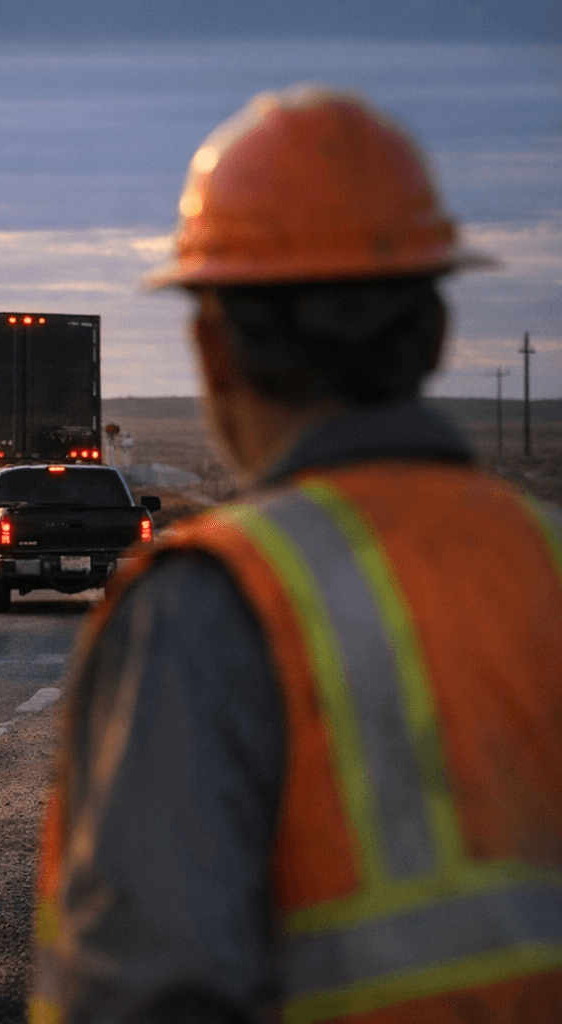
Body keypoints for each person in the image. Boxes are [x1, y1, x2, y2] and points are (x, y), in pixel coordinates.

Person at [31, 85, 562, 1024]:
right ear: (434, 332)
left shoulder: (215, 605)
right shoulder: (542, 557)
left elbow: (146, 992)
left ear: (214, 350)